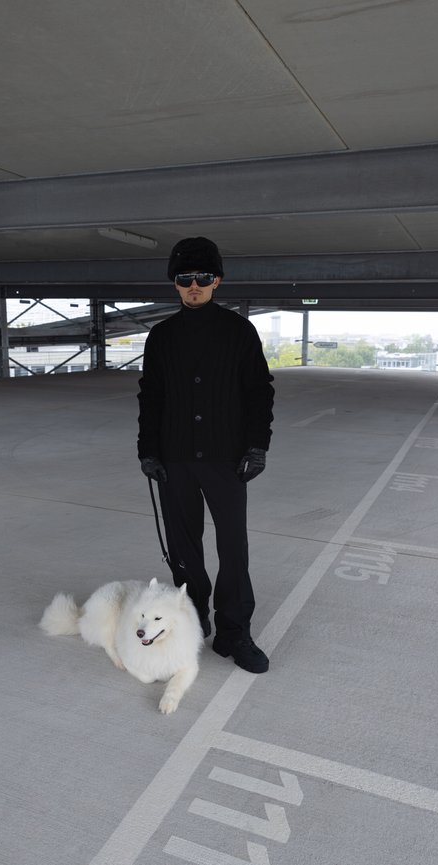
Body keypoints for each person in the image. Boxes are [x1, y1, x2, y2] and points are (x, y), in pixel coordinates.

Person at [137, 236, 274, 673]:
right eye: (184, 278)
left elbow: (259, 393)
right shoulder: (161, 337)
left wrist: (257, 445)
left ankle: (234, 632)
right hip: (175, 459)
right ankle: (190, 625)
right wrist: (148, 450)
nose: (193, 285)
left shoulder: (239, 332)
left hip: (225, 459)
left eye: (203, 277)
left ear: (217, 280)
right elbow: (151, 397)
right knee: (184, 549)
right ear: (174, 284)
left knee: (233, 548)